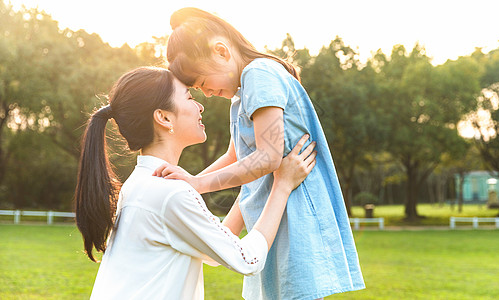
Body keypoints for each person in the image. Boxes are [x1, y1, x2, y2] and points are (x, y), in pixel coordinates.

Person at [160, 7, 365, 300]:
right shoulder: (241, 96)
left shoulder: (259, 74)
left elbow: (268, 158)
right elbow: (235, 154)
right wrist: (189, 183)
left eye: (204, 83)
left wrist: (198, 184)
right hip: (273, 218)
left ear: (221, 51)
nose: (206, 94)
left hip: (295, 219)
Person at [74, 66, 317, 299]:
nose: (200, 106)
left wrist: (253, 177)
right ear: (164, 118)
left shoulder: (141, 184)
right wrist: (282, 185)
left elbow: (213, 250)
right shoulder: (168, 194)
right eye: (189, 97)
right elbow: (246, 259)